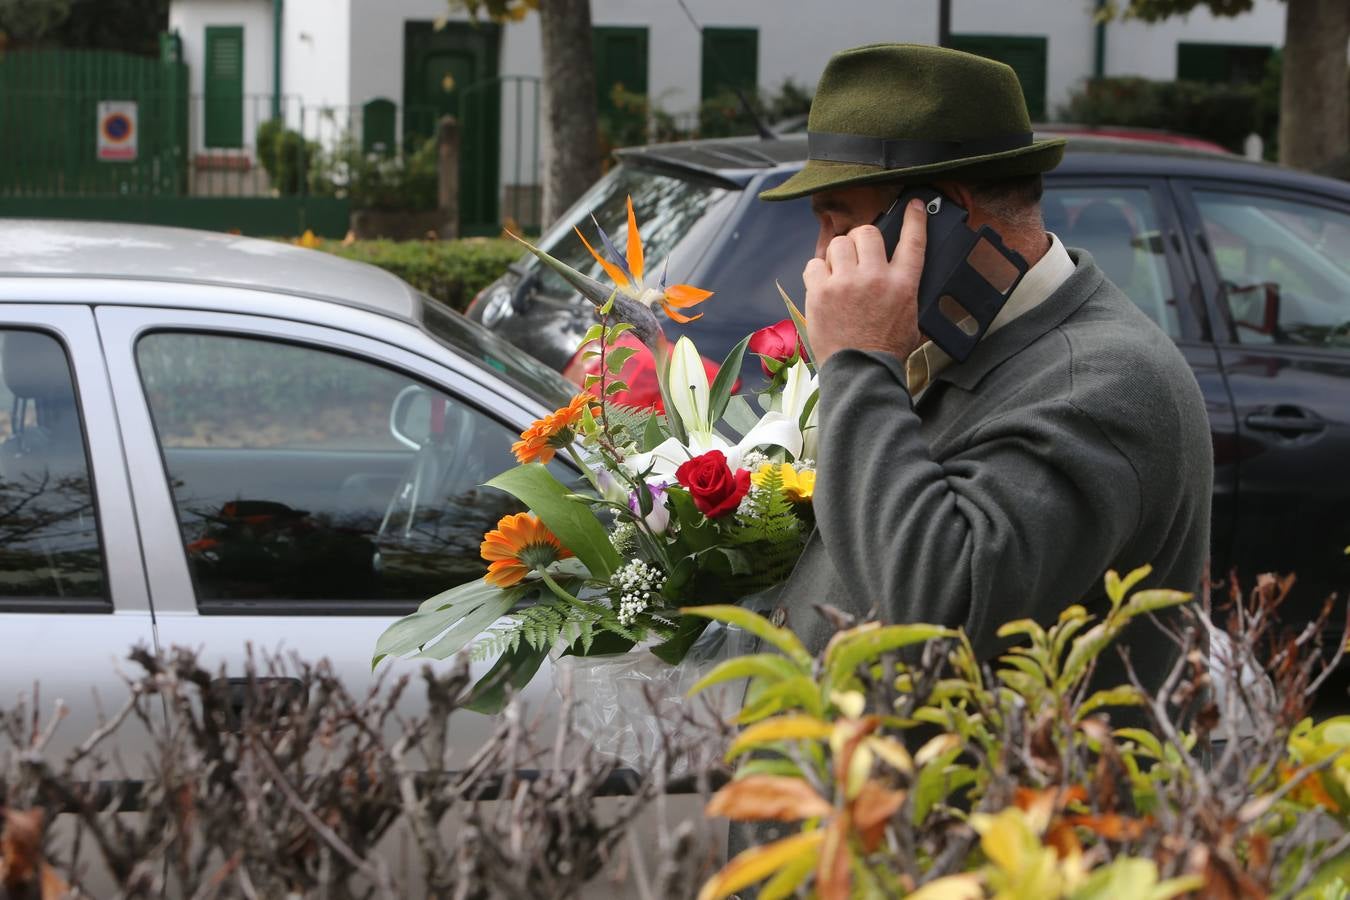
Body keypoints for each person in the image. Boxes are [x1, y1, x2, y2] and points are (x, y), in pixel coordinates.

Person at [758, 43, 1214, 697]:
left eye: (840, 222)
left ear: (941, 215)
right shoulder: (957, 337)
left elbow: (935, 615)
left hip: (993, 798)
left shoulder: (1106, 381)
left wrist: (859, 359)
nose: (822, 258)